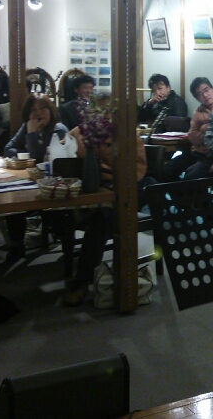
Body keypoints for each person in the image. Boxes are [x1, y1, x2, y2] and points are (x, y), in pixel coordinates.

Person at [64, 94, 154, 306]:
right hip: (94, 193)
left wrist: (105, 171)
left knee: (102, 218)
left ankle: (82, 279)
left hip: (125, 193)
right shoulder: (88, 133)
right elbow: (68, 145)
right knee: (69, 210)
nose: (104, 115)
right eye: (99, 110)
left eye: (108, 110)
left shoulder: (127, 135)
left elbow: (136, 170)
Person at [2, 95, 68, 262]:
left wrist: (31, 136)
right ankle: (17, 245)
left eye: (42, 108)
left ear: (51, 111)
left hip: (54, 184)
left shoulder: (58, 130)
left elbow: (39, 159)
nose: (38, 113)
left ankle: (57, 236)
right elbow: (8, 148)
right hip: (31, 180)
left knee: (19, 199)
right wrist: (24, 154)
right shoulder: (27, 125)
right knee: (13, 199)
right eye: (33, 110)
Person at [159, 77, 213, 182]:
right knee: (166, 170)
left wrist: (203, 129)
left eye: (206, 90)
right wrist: (207, 134)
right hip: (197, 152)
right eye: (199, 94)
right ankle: (176, 192)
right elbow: (192, 136)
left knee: (191, 176)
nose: (205, 95)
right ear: (196, 98)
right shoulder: (198, 111)